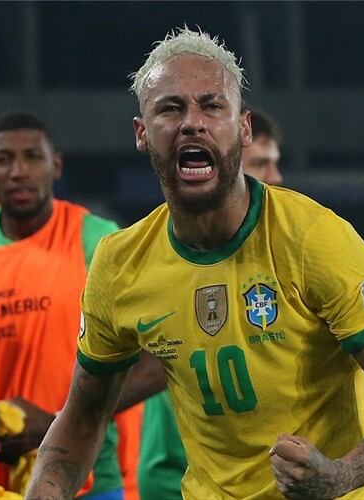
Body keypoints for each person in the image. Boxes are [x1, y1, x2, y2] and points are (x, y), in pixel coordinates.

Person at [26, 27, 364, 500]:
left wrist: (340, 476)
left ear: (243, 129)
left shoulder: (315, 238)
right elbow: (82, 417)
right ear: (142, 133)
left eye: (211, 105)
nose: (192, 123)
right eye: (170, 107)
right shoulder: (120, 264)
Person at [0, 110, 150, 499]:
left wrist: (57, 422)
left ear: (56, 165)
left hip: (85, 479)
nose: (18, 171)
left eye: (32, 157)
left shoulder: (98, 241)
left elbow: (159, 359)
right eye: (3, 160)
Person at [137, 104, 287, 499]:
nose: (275, 177)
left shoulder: (298, 246)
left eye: (275, 164)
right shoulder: (153, 258)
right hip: (176, 469)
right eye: (262, 164)